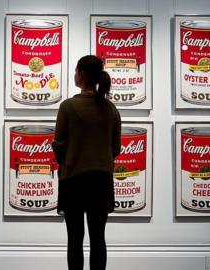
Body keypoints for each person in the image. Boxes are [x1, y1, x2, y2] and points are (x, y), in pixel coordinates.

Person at [52, 55, 121, 270]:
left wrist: (68, 160)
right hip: (101, 180)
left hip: (73, 180)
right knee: (98, 239)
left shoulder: (68, 107)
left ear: (81, 74)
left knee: (75, 239)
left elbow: (59, 145)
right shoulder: (111, 109)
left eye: (75, 71)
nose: (74, 74)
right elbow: (116, 149)